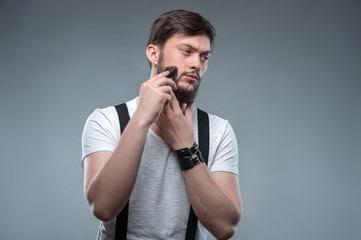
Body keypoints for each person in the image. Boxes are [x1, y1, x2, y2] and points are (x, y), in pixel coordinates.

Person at [81, 9, 242, 240]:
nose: (197, 63)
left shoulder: (218, 130)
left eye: (204, 57)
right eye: (187, 51)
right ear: (154, 54)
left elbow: (226, 227)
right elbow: (103, 207)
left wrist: (186, 146)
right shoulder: (106, 121)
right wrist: (141, 120)